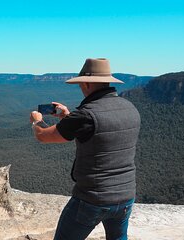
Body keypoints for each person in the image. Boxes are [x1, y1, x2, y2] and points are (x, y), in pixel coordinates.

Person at [30, 58, 141, 240]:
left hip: (92, 199)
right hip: (126, 196)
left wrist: (36, 120)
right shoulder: (130, 108)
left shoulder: (86, 115)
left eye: (81, 83)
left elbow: (43, 135)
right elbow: (101, 132)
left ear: (88, 83)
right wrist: (67, 116)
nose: (81, 87)